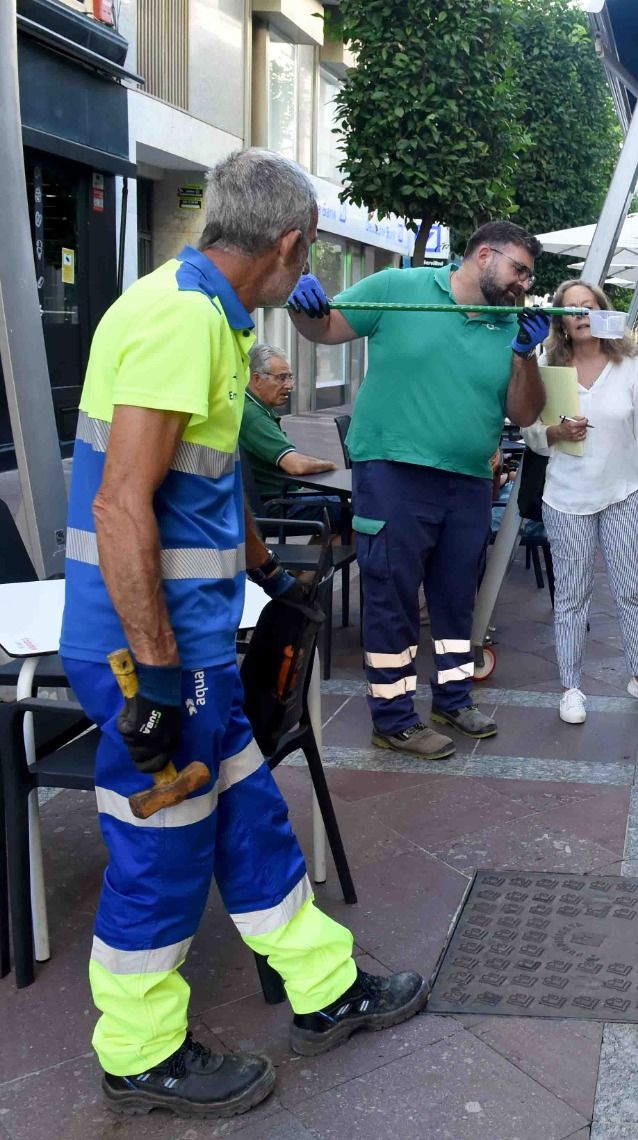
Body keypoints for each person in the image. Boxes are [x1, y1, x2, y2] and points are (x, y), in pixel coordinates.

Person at [59, 148, 427, 1119]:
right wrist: (156, 677)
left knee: (249, 816)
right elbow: (120, 506)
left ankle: (324, 988)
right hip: (151, 651)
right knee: (165, 846)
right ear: (290, 245)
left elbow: (206, 481)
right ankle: (140, 1052)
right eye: (307, 259)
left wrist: (265, 571)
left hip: (187, 644)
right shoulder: (185, 323)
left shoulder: (203, 315)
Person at [288, 221, 549, 760]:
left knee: (456, 596)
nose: (525, 284)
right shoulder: (398, 288)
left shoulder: (509, 323)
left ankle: (453, 699)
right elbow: (325, 328)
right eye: (519, 270)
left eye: (528, 276)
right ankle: (393, 719)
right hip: (393, 473)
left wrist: (524, 355)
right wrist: (300, 303)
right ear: (484, 256)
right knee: (392, 595)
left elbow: (525, 414)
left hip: (469, 479)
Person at [526, 279, 638, 726]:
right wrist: (556, 432)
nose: (580, 314)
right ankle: (571, 687)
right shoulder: (546, 366)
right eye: (570, 308)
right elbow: (530, 431)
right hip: (565, 496)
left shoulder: (627, 365)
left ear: (602, 312)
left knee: (630, 589)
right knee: (571, 595)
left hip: (623, 492)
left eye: (588, 306)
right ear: (560, 320)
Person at [239, 342, 349, 529]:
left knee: (342, 513)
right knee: (355, 509)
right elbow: (296, 465)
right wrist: (331, 465)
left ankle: (325, 548)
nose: (289, 385)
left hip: (276, 499)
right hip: (276, 505)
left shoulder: (252, 407)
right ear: (257, 379)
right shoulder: (254, 417)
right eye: (281, 378)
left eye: (290, 377)